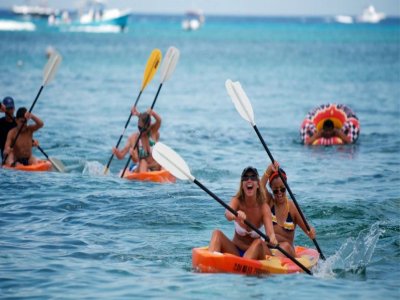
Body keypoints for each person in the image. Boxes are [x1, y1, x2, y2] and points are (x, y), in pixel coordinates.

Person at [208, 166, 278, 260]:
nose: (249, 180)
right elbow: (228, 214)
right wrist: (235, 215)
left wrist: (272, 239)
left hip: (256, 254)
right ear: (242, 184)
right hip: (236, 251)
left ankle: (243, 268)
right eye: (245, 178)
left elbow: (270, 233)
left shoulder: (264, 208)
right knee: (216, 233)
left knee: (258, 242)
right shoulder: (236, 201)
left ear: (258, 185)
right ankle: (208, 267)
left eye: (253, 177)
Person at [261, 163, 316, 257]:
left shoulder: (292, 208)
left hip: (287, 252)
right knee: (258, 242)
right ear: (271, 189)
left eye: (282, 189)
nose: (279, 193)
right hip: (269, 251)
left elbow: (308, 230)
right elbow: (259, 187)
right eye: (275, 190)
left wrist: (311, 232)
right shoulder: (269, 202)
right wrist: (269, 169)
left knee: (285, 246)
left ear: (286, 187)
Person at [112, 106, 162, 173]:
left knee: (162, 162)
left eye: (143, 129)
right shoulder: (134, 138)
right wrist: (117, 153)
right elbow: (122, 156)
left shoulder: (153, 132)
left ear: (149, 126)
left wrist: (152, 113)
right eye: (139, 128)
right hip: (139, 168)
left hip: (153, 166)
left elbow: (159, 121)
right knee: (143, 162)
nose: (141, 131)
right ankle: (144, 180)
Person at [0, 97, 17, 162]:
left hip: (18, 152)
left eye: (11, 108)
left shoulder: (19, 123)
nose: (9, 111)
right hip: (6, 154)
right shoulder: (0, 122)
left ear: (14, 109)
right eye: (7, 109)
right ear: (3, 109)